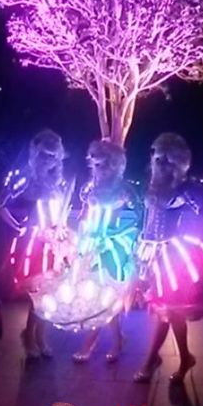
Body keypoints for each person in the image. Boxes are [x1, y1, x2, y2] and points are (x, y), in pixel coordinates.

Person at [133, 133, 203, 384]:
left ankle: (153, 361)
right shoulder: (150, 187)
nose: (160, 163)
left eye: (167, 159)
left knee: (169, 312)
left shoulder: (186, 189)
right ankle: (182, 359)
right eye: (157, 157)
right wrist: (138, 250)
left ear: (178, 162)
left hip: (176, 258)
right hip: (153, 258)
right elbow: (145, 224)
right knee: (168, 313)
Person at [0, 129, 70, 360]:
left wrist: (62, 230)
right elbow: (0, 203)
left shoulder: (59, 181)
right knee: (39, 294)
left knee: (49, 295)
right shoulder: (25, 179)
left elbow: (62, 211)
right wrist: (18, 226)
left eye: (53, 155)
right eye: (44, 155)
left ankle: (36, 336)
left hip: (54, 243)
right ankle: (29, 336)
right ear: (35, 154)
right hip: (34, 244)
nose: (49, 160)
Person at [72, 139, 142, 363]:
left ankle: (92, 342)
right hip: (91, 246)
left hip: (112, 249)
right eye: (93, 163)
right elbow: (83, 213)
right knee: (97, 296)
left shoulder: (124, 189)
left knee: (108, 295)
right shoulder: (89, 187)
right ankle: (117, 339)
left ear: (114, 165)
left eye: (101, 164)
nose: (95, 168)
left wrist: (118, 234)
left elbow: (141, 215)